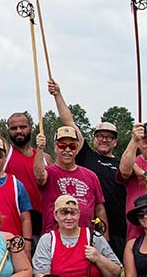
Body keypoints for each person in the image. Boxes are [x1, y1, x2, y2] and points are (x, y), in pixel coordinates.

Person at [48, 80, 126, 252]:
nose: (104, 140)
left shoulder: (122, 164)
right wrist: (57, 95)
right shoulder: (86, 155)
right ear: (94, 138)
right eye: (100, 136)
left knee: (114, 272)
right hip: (91, 226)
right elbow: (69, 123)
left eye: (109, 137)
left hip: (120, 225)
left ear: (115, 142)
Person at [0, 74, 44, 236]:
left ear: (31, 128)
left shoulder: (44, 157)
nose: (19, 131)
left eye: (23, 127)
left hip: (42, 219)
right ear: (8, 130)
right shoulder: (6, 152)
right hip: (15, 217)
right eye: (14, 128)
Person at [31, 126, 107, 235]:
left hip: (85, 239)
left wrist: (104, 236)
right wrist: (40, 149)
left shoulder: (91, 175)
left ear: (77, 148)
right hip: (55, 238)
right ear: (55, 148)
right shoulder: (49, 172)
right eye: (62, 146)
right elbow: (39, 175)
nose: (67, 150)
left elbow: (99, 208)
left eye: (72, 146)